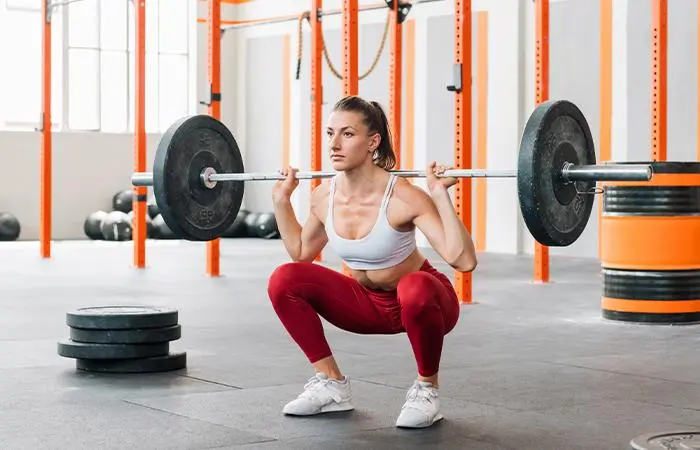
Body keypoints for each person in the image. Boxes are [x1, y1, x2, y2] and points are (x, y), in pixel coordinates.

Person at [267, 95, 477, 429]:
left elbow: (463, 260)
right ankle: (331, 384)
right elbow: (302, 253)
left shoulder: (404, 195)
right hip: (366, 305)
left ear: (373, 141)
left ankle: (427, 390)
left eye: (347, 134)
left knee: (415, 286)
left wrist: (439, 194)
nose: (334, 144)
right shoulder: (325, 195)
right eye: (330, 133)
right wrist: (282, 202)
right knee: (284, 279)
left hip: (424, 304)